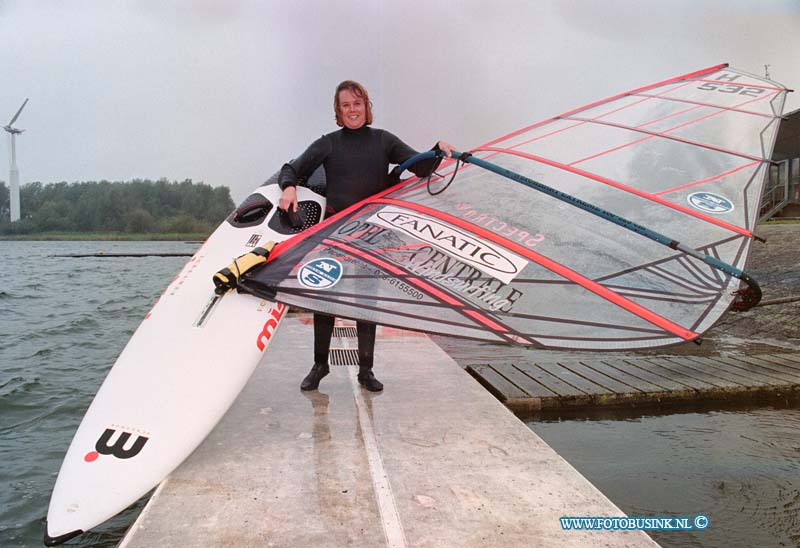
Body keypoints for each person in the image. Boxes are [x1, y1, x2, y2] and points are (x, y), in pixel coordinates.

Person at [277, 79, 455, 392]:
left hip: (371, 234)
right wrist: (289, 188)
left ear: (366, 106)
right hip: (334, 232)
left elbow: (422, 167)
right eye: (345, 106)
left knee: (366, 302)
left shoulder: (383, 141)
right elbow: (291, 168)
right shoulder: (328, 143)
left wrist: (437, 149)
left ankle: (365, 370)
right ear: (339, 110)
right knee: (325, 298)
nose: (352, 110)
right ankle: (320, 365)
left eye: (357, 104)